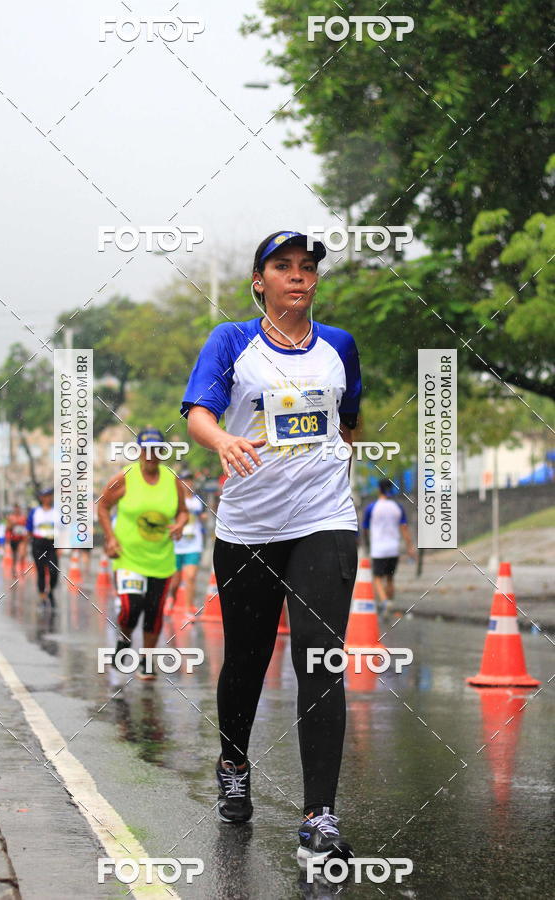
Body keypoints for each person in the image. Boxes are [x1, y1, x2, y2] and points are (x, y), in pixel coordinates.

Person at [181, 231, 362, 865]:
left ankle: (320, 814)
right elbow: (199, 412)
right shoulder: (232, 340)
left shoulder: (340, 346)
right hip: (249, 527)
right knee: (248, 660)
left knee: (321, 661)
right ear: (260, 281)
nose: (296, 276)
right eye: (282, 267)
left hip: (326, 520)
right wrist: (222, 443)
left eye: (306, 267)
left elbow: (349, 418)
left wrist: (330, 461)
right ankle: (233, 761)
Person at [98, 427, 188, 681]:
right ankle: (124, 641)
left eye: (156, 449)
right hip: (128, 557)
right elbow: (103, 507)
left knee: (154, 611)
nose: (151, 455)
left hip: (161, 558)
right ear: (139, 451)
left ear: (162, 451)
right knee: (131, 607)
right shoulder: (125, 477)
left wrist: (180, 523)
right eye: (146, 449)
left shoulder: (172, 479)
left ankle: (146, 661)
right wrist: (111, 537)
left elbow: (183, 511)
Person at [362, 478, 416, 613]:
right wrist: (410, 547)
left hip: (378, 550)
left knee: (377, 578)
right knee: (390, 578)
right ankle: (390, 602)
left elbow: (365, 529)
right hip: (393, 550)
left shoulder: (371, 508)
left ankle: (385, 602)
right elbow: (404, 529)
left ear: (379, 489)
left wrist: (367, 545)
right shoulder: (398, 507)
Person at [165, 469, 208, 616]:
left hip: (193, 543)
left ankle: (188, 608)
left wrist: (203, 517)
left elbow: (204, 515)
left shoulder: (198, 500)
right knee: (175, 581)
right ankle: (171, 597)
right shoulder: (172, 499)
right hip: (177, 544)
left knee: (190, 577)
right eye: (184, 480)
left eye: (189, 480)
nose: (187, 483)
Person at [29, 488, 58, 606]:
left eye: (50, 496)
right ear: (42, 498)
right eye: (46, 496)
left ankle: (50, 591)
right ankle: (42, 596)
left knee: (54, 571)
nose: (49, 499)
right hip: (38, 544)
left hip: (52, 545)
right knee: (41, 571)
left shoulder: (56, 512)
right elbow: (29, 529)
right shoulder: (35, 512)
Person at [6, 504, 28, 576]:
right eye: (15, 509)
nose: (17, 510)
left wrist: (26, 537)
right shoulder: (10, 517)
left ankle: (22, 570)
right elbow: (7, 528)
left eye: (18, 509)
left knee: (22, 554)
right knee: (14, 555)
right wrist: (12, 524)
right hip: (13, 539)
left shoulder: (23, 517)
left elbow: (27, 528)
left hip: (21, 539)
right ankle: (14, 569)